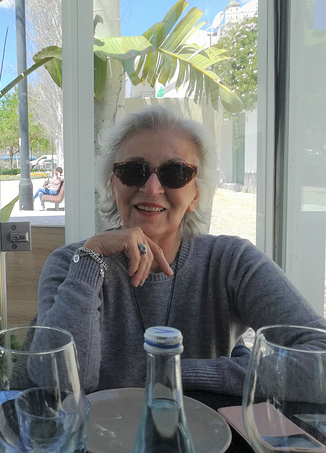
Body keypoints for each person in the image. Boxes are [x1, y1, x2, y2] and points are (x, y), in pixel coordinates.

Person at [36, 105, 326, 397]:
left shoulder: (231, 262)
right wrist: (91, 257)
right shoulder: (71, 263)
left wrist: (187, 372)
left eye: (175, 173)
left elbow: (320, 357)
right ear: (114, 185)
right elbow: (57, 381)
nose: (151, 188)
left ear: (195, 195)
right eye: (133, 171)